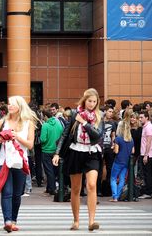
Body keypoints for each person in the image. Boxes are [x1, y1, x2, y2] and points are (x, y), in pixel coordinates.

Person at [53, 88, 103, 231]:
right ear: (84, 100)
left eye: (94, 101)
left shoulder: (99, 116)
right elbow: (65, 135)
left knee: (92, 185)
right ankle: (76, 221)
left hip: (92, 152)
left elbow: (98, 135)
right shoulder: (75, 114)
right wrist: (57, 153)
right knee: (75, 188)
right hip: (75, 151)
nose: (92, 104)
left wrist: (85, 123)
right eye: (89, 101)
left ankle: (91, 221)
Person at [0, 96, 38, 233]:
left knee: (16, 194)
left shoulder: (28, 123)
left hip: (20, 162)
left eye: (13, 104)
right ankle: (7, 221)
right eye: (9, 104)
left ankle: (14, 220)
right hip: (3, 162)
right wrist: (1, 139)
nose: (9, 106)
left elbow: (30, 145)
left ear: (20, 106)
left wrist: (17, 137)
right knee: (7, 192)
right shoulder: (3, 121)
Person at [110, 120, 134, 201]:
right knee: (122, 179)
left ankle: (115, 196)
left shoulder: (118, 139)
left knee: (113, 178)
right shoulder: (131, 139)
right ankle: (119, 195)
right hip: (126, 161)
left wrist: (113, 148)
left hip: (118, 161)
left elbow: (116, 151)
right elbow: (133, 151)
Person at [138, 111, 152, 199]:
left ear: (147, 118)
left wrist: (145, 155)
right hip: (146, 153)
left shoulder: (148, 127)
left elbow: (148, 142)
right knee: (147, 174)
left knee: (147, 174)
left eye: (141, 117)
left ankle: (149, 193)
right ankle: (149, 191)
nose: (140, 119)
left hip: (147, 154)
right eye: (139, 117)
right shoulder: (146, 127)